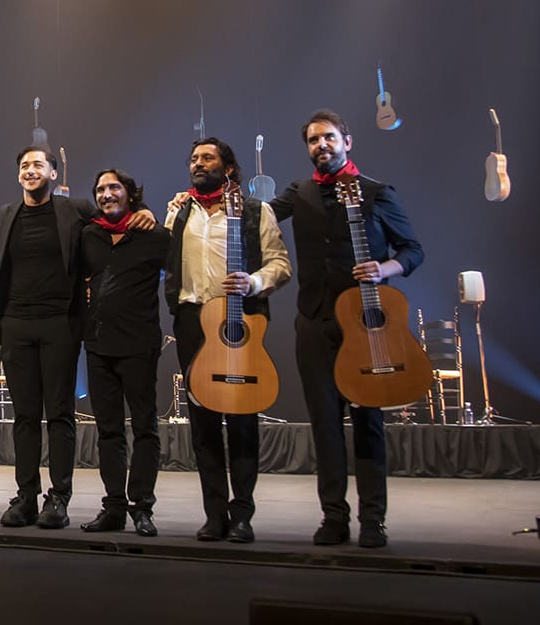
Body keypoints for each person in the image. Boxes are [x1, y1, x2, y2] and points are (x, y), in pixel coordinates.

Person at [269, 110, 423, 549]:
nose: (322, 145)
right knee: (325, 425)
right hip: (315, 323)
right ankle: (333, 516)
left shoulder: (376, 193)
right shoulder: (298, 194)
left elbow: (413, 251)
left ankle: (373, 520)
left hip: (367, 325)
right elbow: (254, 219)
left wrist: (384, 268)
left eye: (329, 138)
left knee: (368, 422)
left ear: (347, 141)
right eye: (314, 140)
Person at [0, 146, 155, 529]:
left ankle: (58, 498)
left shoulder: (75, 209)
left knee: (59, 413)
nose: (31, 171)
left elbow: (118, 216)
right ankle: (26, 496)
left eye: (38, 165)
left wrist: (144, 212)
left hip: (59, 323)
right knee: (25, 416)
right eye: (24, 166)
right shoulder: (6, 213)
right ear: (18, 175)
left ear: (52, 172)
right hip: (16, 322)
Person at [164, 138, 291, 543]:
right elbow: (162, 258)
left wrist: (253, 281)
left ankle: (242, 514)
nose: (198, 164)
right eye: (194, 159)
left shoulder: (257, 211)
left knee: (241, 421)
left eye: (208, 158)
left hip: (239, 325)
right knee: (202, 424)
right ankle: (214, 513)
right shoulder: (180, 213)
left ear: (229, 168)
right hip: (192, 323)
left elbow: (280, 264)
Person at [79, 170, 171, 536]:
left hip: (139, 344)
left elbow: (180, 275)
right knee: (109, 430)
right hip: (98, 345)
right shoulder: (89, 235)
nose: (106, 194)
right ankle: (114, 506)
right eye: (100, 189)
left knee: (145, 428)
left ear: (130, 194)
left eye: (114, 187)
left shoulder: (155, 234)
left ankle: (142, 508)